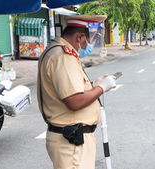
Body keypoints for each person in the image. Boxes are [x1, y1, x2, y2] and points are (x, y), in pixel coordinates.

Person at [37, 15, 116, 169]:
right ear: (79, 37)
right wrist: (101, 88)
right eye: (88, 40)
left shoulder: (56, 51)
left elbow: (70, 89)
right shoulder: (63, 57)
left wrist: (93, 86)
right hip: (72, 142)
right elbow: (74, 101)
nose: (89, 45)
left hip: (71, 139)